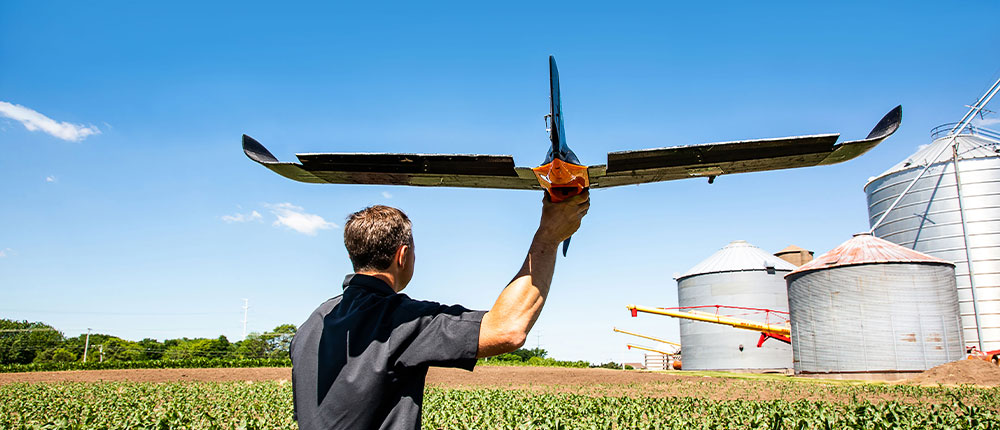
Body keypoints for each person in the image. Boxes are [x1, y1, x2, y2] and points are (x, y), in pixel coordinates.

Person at [290, 191, 590, 430]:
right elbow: (507, 329)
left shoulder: (312, 323)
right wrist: (549, 237)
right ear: (403, 255)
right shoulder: (399, 319)